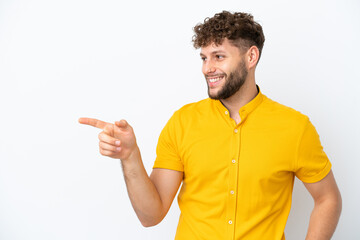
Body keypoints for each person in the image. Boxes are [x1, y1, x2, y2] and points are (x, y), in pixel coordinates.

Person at [79, 11, 342, 240]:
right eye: (204, 58)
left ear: (251, 57)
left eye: (218, 56)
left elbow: (328, 198)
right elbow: (151, 215)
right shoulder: (183, 122)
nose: (208, 68)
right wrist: (129, 157)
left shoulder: (294, 127)